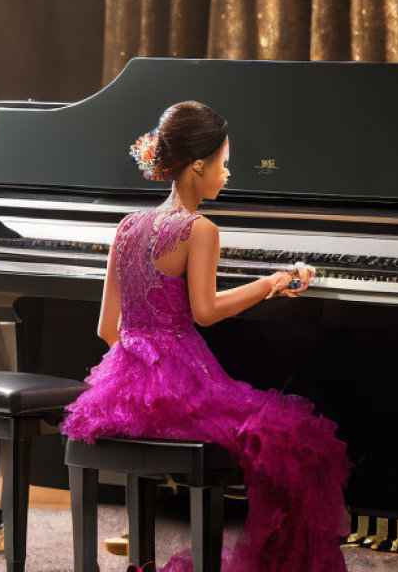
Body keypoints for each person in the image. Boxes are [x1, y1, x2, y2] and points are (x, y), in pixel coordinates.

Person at [60, 101, 352, 572]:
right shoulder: (200, 229)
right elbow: (206, 312)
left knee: (280, 436)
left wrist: (140, 373)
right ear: (199, 164)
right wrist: (273, 283)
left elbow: (105, 328)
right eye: (225, 162)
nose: (228, 173)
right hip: (182, 387)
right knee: (298, 439)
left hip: (121, 390)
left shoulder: (127, 226)